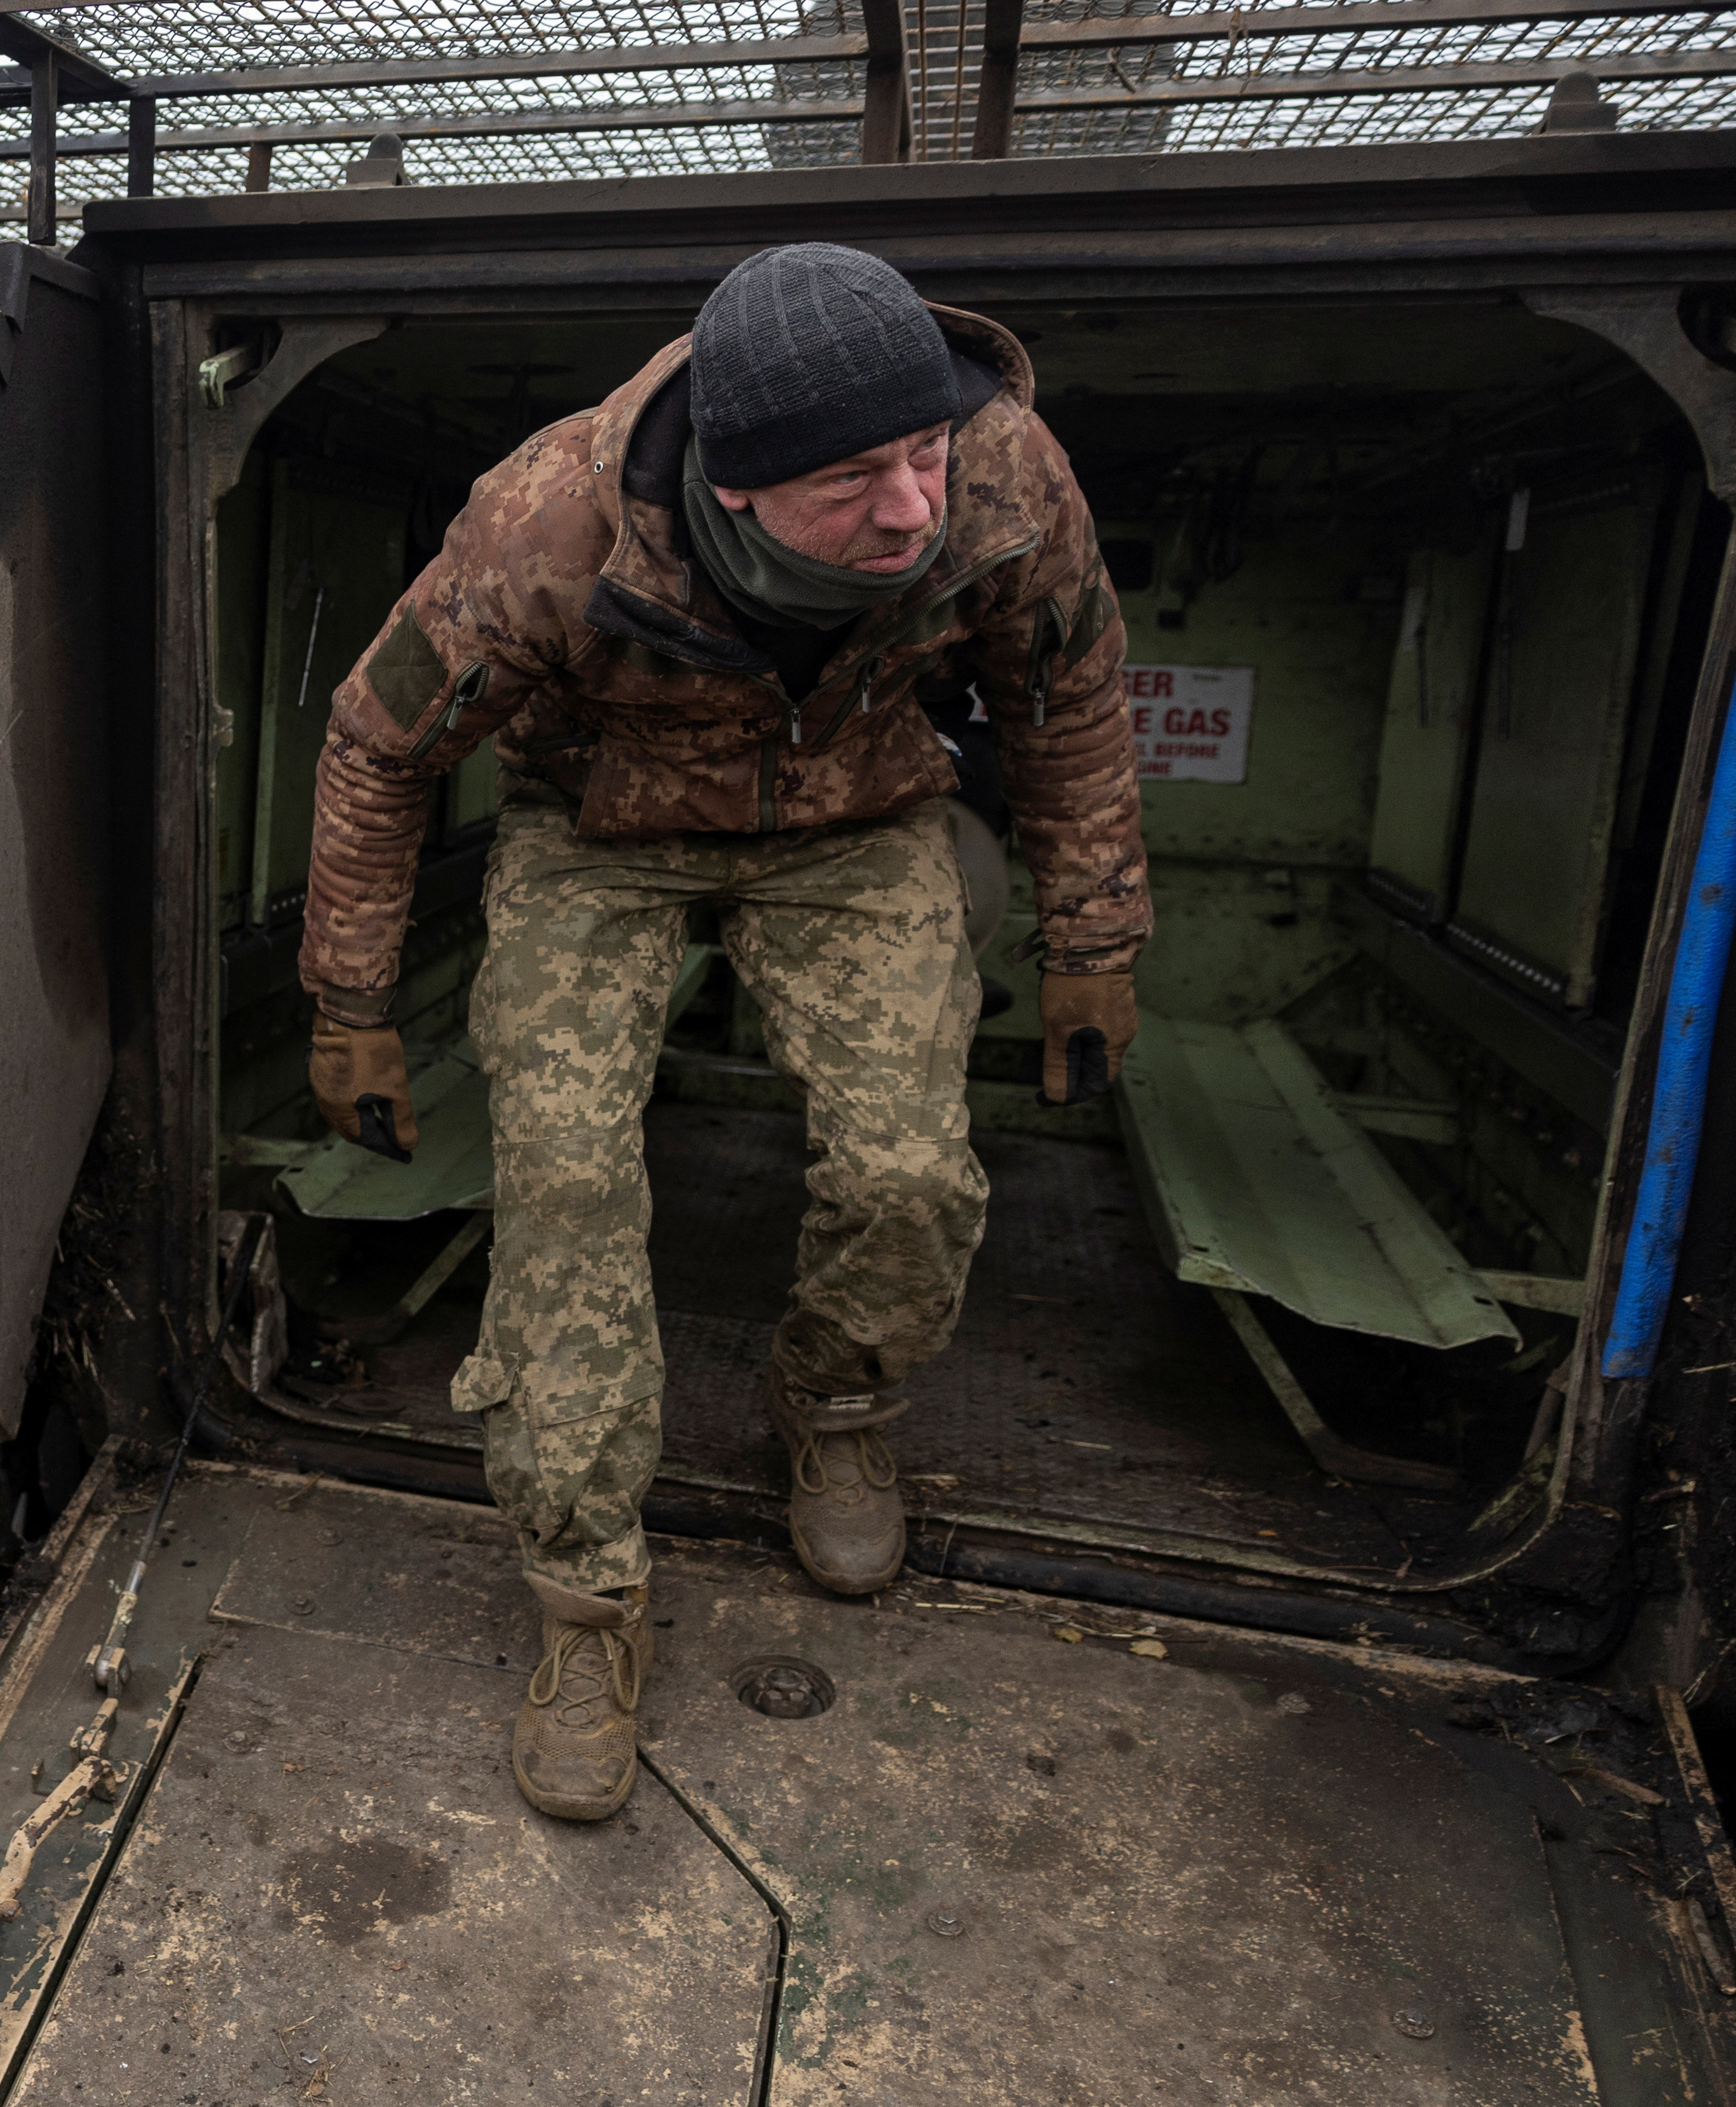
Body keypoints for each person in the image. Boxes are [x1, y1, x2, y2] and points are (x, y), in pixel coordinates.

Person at [296, 244, 1147, 1822]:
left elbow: (1071, 693)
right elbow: (375, 741)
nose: (909, 507)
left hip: (860, 811)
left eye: (922, 453)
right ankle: (585, 1605)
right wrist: (349, 1004)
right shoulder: (543, 530)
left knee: (910, 1170)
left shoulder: (1005, 477)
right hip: (597, 827)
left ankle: (834, 1409)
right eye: (853, 479)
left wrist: (1094, 941)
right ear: (737, 493)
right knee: (563, 1190)